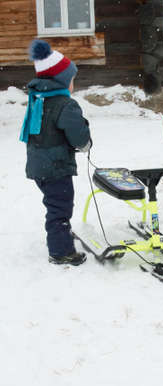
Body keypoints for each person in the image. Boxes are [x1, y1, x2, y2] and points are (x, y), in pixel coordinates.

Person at [20, 40, 92, 266]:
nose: (73, 84)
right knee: (60, 208)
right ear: (61, 80)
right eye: (72, 80)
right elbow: (77, 135)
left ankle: (60, 237)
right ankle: (61, 252)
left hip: (38, 166)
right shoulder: (65, 104)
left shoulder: (38, 100)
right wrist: (86, 143)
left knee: (54, 204)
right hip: (56, 167)